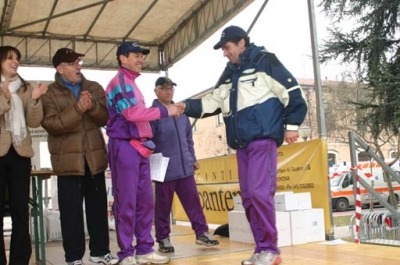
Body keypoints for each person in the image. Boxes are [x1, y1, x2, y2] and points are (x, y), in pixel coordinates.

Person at [177, 25, 308, 265]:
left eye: (227, 48)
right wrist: (185, 106)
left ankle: (271, 249)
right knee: (248, 198)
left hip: (262, 139)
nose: (224, 53)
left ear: (242, 43)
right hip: (241, 145)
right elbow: (212, 102)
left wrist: (293, 125)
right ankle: (261, 249)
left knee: (259, 194)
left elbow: (292, 91)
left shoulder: (265, 61)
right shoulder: (228, 74)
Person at [41, 48, 118, 265]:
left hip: (94, 161)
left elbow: (105, 118)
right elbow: (53, 125)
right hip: (68, 163)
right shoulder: (48, 94)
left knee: (97, 210)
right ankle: (73, 258)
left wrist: (92, 105)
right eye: (73, 63)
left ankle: (100, 252)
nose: (78, 67)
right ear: (60, 68)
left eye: (79, 62)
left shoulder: (94, 87)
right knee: (70, 214)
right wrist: (77, 109)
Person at [105, 42, 180, 265]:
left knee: (145, 201)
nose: (140, 59)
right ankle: (126, 253)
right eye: (136, 55)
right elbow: (132, 114)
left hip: (141, 148)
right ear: (122, 58)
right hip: (124, 146)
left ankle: (145, 249)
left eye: (141, 56)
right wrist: (167, 110)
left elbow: (138, 114)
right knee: (126, 201)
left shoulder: (132, 84)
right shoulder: (118, 83)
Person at [150, 77, 219, 253]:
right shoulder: (153, 113)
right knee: (163, 206)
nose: (168, 91)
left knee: (193, 202)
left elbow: (188, 139)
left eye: (171, 88)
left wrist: (192, 157)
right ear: (156, 91)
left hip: (185, 167)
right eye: (164, 88)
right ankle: (163, 238)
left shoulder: (182, 112)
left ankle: (202, 233)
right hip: (164, 168)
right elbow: (148, 140)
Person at [0, 45, 48, 265]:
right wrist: (5, 98)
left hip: (21, 152)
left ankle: (20, 260)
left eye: (17, 58)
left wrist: (36, 100)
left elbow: (33, 122)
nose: (15, 61)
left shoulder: (25, 87)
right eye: (10, 57)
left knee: (21, 209)